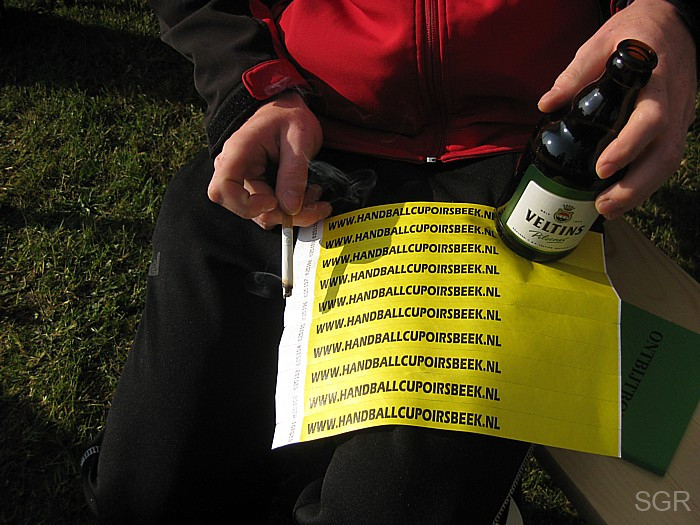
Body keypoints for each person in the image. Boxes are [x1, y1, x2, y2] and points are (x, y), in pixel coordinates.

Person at [81, 0, 697, 523]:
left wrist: (673, 14)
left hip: (517, 168)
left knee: (388, 504)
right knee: (144, 500)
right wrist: (252, 87)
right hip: (303, 138)